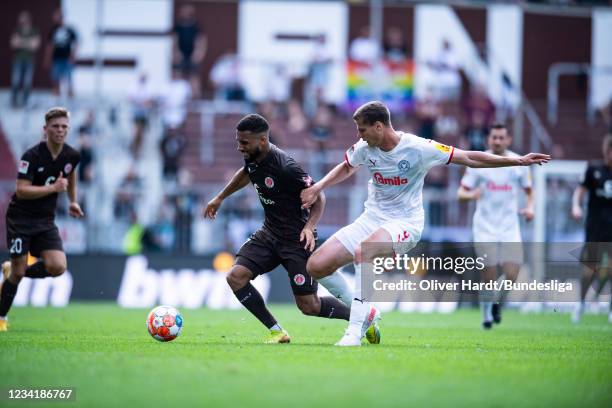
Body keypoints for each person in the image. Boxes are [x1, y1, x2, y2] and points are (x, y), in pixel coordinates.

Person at [300, 101, 550, 346]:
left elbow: (469, 158)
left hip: (405, 224)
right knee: (316, 266)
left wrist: (516, 161)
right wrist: (319, 187)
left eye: (362, 129)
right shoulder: (365, 147)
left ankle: (353, 332)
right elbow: (347, 167)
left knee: (364, 251)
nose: (359, 135)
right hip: (371, 219)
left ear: (378, 127)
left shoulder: (419, 148)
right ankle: (367, 312)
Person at [203, 114, 359, 344]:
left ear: (262, 141)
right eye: (238, 141)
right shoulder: (253, 157)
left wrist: (310, 226)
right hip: (269, 233)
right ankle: (276, 331)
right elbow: (246, 173)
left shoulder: (286, 167)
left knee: (310, 306)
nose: (239, 147)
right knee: (236, 277)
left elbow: (319, 196)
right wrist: (220, 197)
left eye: (244, 143)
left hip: (297, 239)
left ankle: (360, 318)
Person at [0, 107, 84, 331]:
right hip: (20, 219)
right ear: (45, 129)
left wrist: (73, 201)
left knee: (58, 267)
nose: (60, 130)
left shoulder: (71, 155)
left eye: (64, 126)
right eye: (55, 126)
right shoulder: (31, 156)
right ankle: (1, 318)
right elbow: (21, 190)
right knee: (18, 274)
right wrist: (53, 188)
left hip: (45, 221)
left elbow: (71, 174)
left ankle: (12, 270)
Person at [457, 123, 534, 329]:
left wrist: (530, 208)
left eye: (501, 138)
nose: (498, 141)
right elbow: (461, 193)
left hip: (509, 226)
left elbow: (529, 191)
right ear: (488, 140)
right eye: (494, 137)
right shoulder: (478, 162)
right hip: (484, 226)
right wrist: (472, 195)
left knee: (512, 272)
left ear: (508, 140)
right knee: (488, 275)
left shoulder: (517, 163)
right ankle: (486, 315)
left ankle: (496, 302)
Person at [571, 134, 612, 324]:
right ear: (606, 152)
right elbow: (580, 191)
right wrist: (576, 206)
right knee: (590, 271)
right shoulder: (594, 170)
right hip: (595, 228)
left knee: (610, 269)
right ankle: (581, 303)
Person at [172, 4, 207, 99]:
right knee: (179, 74)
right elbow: (175, 39)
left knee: (194, 76)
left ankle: (195, 97)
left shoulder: (196, 25)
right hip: (181, 54)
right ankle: (179, 96)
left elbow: (201, 39)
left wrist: (199, 52)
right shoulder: (178, 25)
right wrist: (176, 52)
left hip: (192, 54)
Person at [45, 9, 78, 98]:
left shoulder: (69, 30)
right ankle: (57, 99)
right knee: (56, 79)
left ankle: (70, 98)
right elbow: (50, 45)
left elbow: (76, 43)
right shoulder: (53, 30)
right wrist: (48, 58)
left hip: (67, 59)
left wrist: (73, 56)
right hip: (56, 58)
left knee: (69, 79)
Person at [10, 11, 40, 108]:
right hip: (18, 60)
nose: (21, 20)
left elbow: (35, 45)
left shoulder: (34, 30)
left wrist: (21, 42)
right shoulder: (17, 30)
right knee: (16, 80)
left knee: (27, 81)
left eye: (23, 18)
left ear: (27, 19)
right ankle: (14, 101)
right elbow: (13, 44)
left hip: (29, 60)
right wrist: (28, 42)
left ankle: (25, 101)